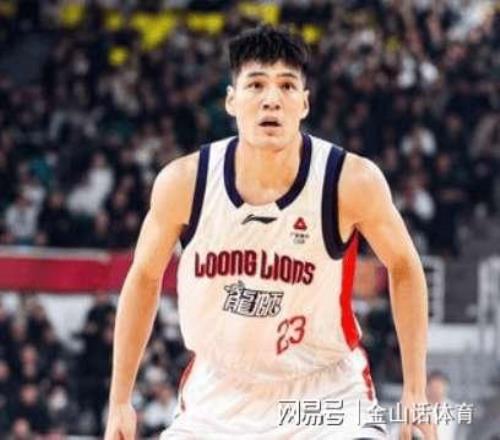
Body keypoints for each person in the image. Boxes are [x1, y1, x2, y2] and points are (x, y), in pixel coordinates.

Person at [104, 26, 435, 439]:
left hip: (323, 392)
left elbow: (405, 266)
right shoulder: (184, 183)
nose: (271, 99)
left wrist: (415, 389)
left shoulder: (349, 181)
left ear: (304, 103)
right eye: (256, 84)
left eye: (287, 85)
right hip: (219, 396)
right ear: (231, 100)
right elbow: (143, 277)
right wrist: (120, 400)